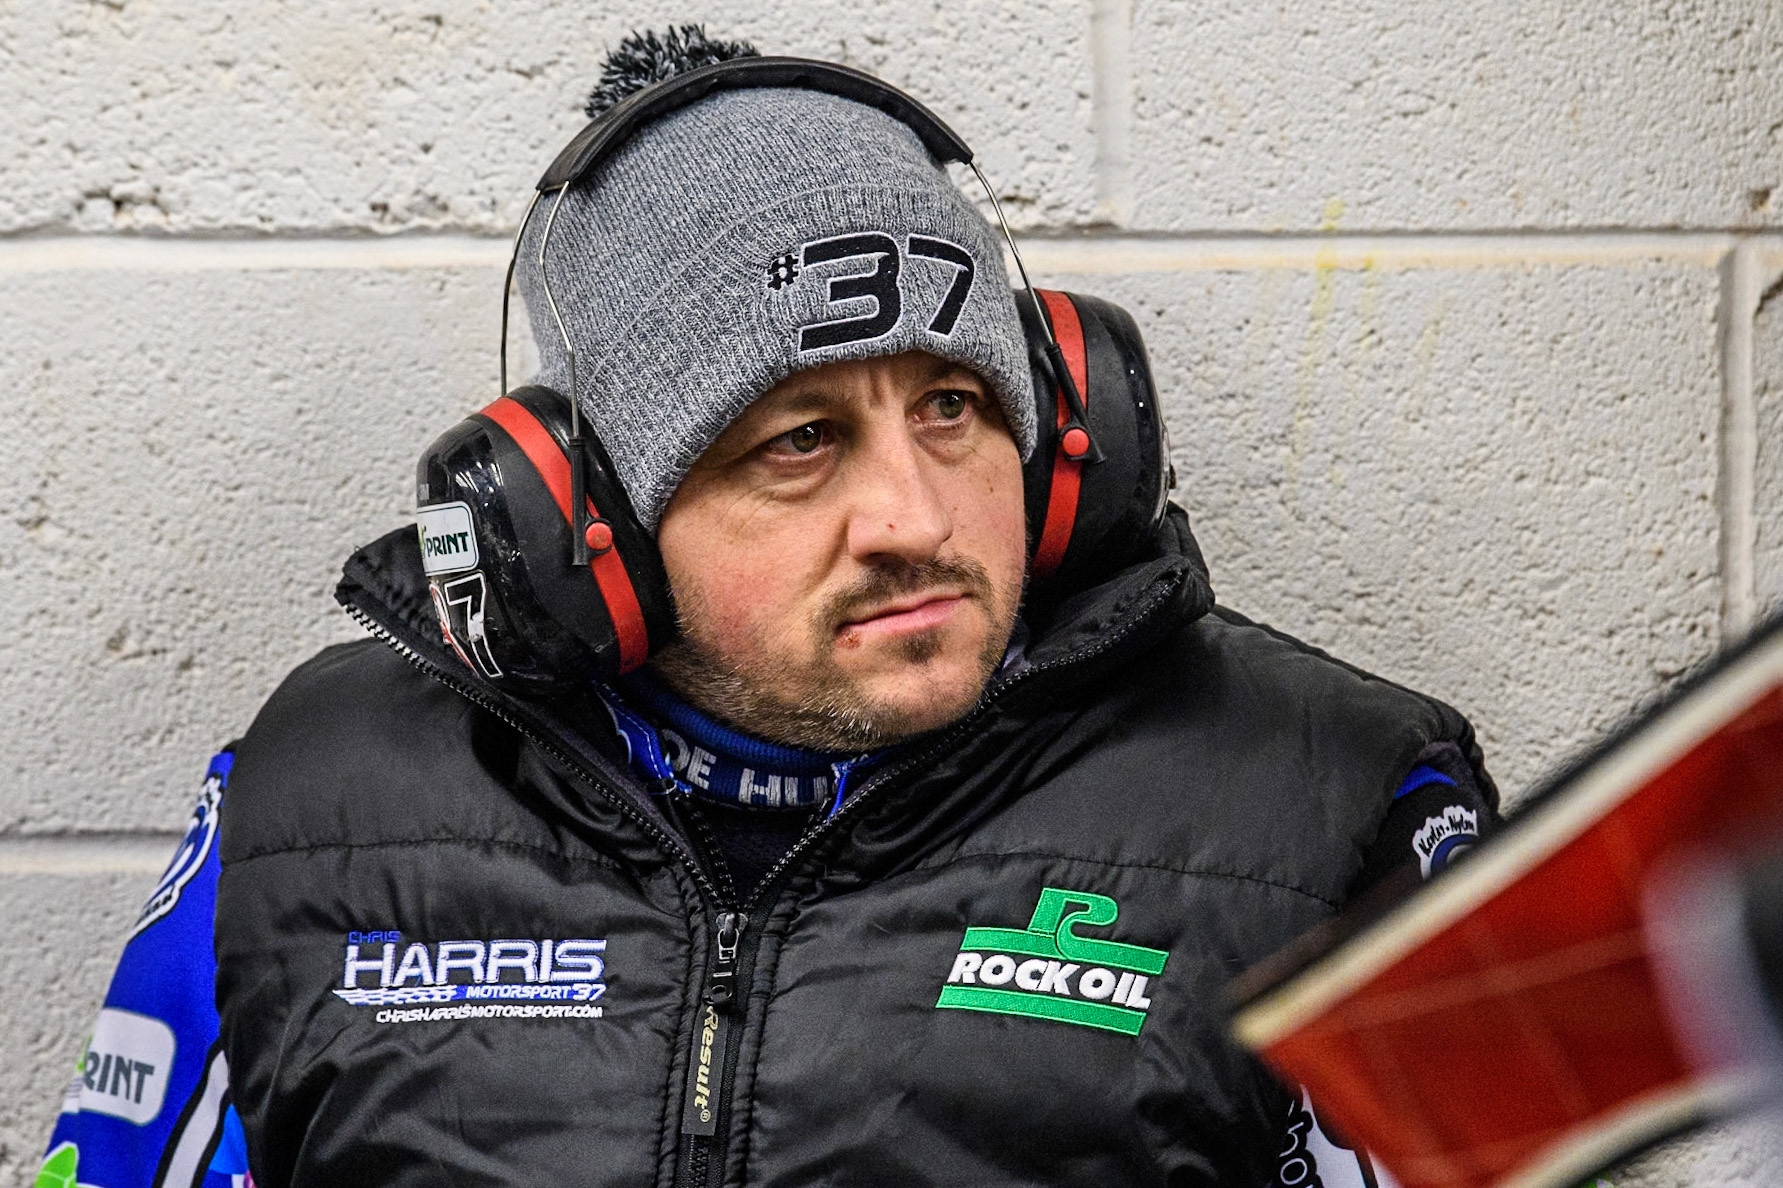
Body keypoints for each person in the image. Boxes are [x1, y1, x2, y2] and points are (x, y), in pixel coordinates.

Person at [41, 27, 1497, 1188]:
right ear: (587, 523)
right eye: (797, 441)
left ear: (1071, 448)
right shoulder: (309, 809)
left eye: (954, 407)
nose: (916, 519)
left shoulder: (1329, 814)